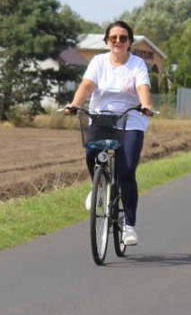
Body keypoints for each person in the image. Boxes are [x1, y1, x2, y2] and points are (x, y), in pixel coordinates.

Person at [64, 20, 153, 247]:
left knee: (126, 171)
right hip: (102, 116)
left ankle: (129, 226)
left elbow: (143, 87)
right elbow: (87, 85)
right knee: (90, 153)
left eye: (123, 38)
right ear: (107, 41)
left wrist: (145, 105)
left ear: (130, 42)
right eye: (113, 38)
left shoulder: (137, 64)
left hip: (130, 119)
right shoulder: (98, 61)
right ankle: (99, 187)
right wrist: (74, 103)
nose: (118, 42)